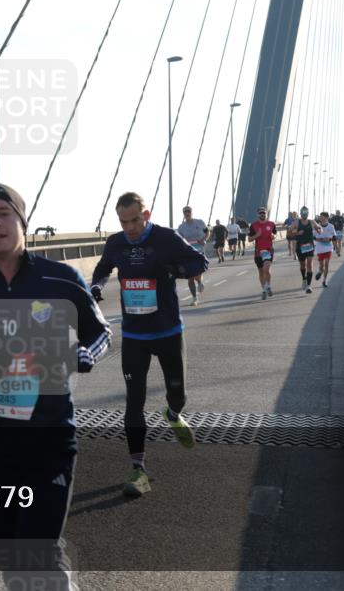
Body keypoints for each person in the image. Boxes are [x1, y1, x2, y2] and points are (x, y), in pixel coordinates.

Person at [0, 183, 111, 589]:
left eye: (4, 213)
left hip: (50, 436)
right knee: (5, 553)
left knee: (38, 549)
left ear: (22, 221)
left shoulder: (61, 279)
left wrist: (78, 356)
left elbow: (100, 333)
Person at [91, 192, 207, 498]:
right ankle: (138, 469)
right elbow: (102, 269)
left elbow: (199, 262)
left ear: (147, 215)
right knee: (134, 401)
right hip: (134, 337)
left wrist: (171, 271)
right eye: (123, 222)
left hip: (168, 332)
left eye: (134, 220)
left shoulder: (166, 238)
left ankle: (173, 414)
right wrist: (96, 286)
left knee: (178, 394)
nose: (129, 228)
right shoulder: (116, 243)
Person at [176, 206, 209, 305]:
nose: (187, 213)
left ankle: (199, 282)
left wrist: (204, 239)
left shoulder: (199, 222)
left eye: (189, 211)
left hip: (199, 250)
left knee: (197, 274)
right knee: (190, 276)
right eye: (185, 212)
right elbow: (179, 239)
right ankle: (194, 298)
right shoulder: (181, 227)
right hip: (188, 252)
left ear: (191, 212)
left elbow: (207, 232)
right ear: (183, 214)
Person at [288, 206, 319, 293]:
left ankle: (309, 286)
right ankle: (304, 279)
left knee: (309, 263)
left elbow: (319, 228)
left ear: (308, 213)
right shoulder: (296, 222)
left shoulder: (312, 222)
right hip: (300, 247)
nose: (304, 214)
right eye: (303, 212)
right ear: (301, 213)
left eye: (306, 212)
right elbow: (289, 233)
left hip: (310, 246)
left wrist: (319, 229)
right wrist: (297, 233)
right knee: (303, 265)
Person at [249, 207, 277, 300]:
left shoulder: (271, 224)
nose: (262, 214)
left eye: (264, 213)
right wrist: (257, 235)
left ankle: (268, 286)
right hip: (258, 252)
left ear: (266, 214)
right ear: (258, 214)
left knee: (266, 269)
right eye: (260, 213)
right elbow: (249, 239)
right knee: (261, 272)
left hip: (268, 250)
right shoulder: (253, 225)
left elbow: (275, 234)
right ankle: (264, 290)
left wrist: (273, 236)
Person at [314, 211, 337, 287]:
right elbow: (313, 237)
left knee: (326, 264)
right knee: (321, 266)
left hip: (328, 248)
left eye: (323, 217)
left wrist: (330, 240)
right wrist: (321, 239)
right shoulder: (317, 226)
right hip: (320, 248)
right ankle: (320, 272)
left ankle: (324, 281)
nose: (321, 218)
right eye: (320, 217)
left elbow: (334, 237)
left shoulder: (331, 226)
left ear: (327, 218)